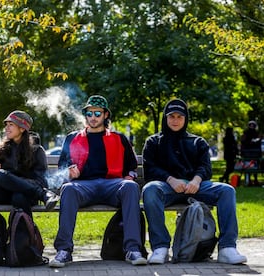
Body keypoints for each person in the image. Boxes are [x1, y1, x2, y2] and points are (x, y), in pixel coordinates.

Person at [142, 98, 247, 265]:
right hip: (167, 188)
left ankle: (227, 248)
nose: (175, 120)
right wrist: (171, 180)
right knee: (150, 189)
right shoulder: (153, 142)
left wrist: (196, 181)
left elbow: (205, 167)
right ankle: (160, 247)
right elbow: (151, 169)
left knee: (227, 190)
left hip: (195, 187)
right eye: (171, 116)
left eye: (179, 117)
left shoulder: (198, 142)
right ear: (165, 118)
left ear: (185, 119)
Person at [49, 95, 147, 268]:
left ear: (105, 115)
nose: (93, 117)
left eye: (97, 113)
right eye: (89, 113)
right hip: (83, 186)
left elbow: (131, 166)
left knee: (131, 186)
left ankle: (132, 249)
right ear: (85, 115)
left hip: (113, 185)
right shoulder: (73, 138)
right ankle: (64, 250)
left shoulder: (119, 138)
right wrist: (69, 172)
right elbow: (62, 168)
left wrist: (129, 177)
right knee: (69, 189)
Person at [0, 110, 59, 217]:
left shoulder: (36, 150)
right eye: (6, 125)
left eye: (11, 125)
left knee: (19, 197)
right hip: (2, 195)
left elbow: (41, 181)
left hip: (26, 195)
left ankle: (25, 232)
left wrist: (17, 183)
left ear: (22, 128)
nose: (7, 128)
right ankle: (43, 194)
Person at [240, 120, 261, 186]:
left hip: (254, 152)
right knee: (248, 166)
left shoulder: (256, 133)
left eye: (253, 125)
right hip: (248, 152)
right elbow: (243, 142)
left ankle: (255, 180)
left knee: (254, 166)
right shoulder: (246, 133)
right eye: (250, 125)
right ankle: (248, 180)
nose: (252, 126)